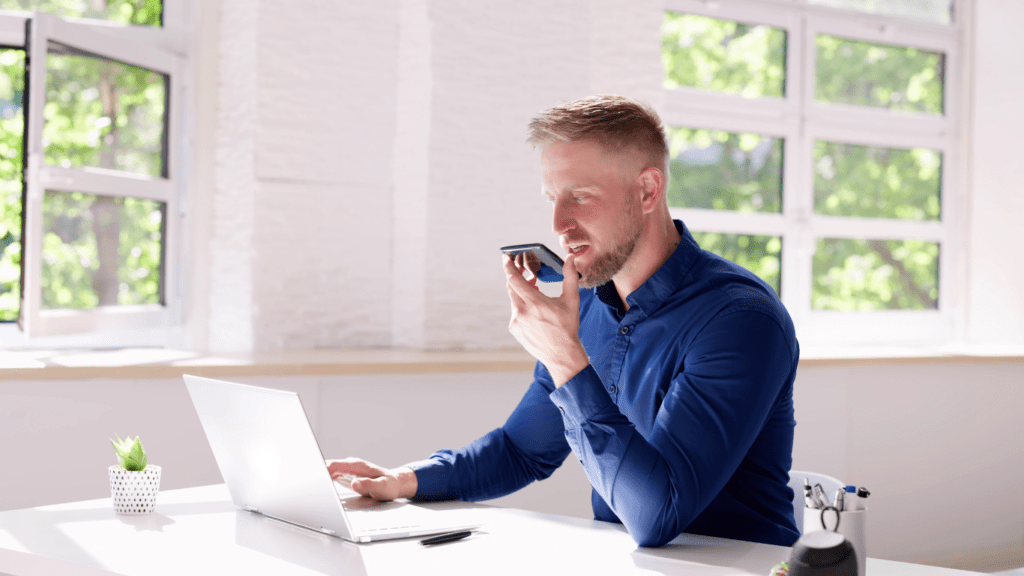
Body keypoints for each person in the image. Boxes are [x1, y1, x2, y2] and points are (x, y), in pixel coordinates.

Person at [329, 94, 800, 548]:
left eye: (579, 197)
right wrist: (405, 480)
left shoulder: (741, 320)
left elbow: (657, 515)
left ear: (648, 190)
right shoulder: (593, 301)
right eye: (552, 197)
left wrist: (565, 359)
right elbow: (522, 450)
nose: (558, 222)